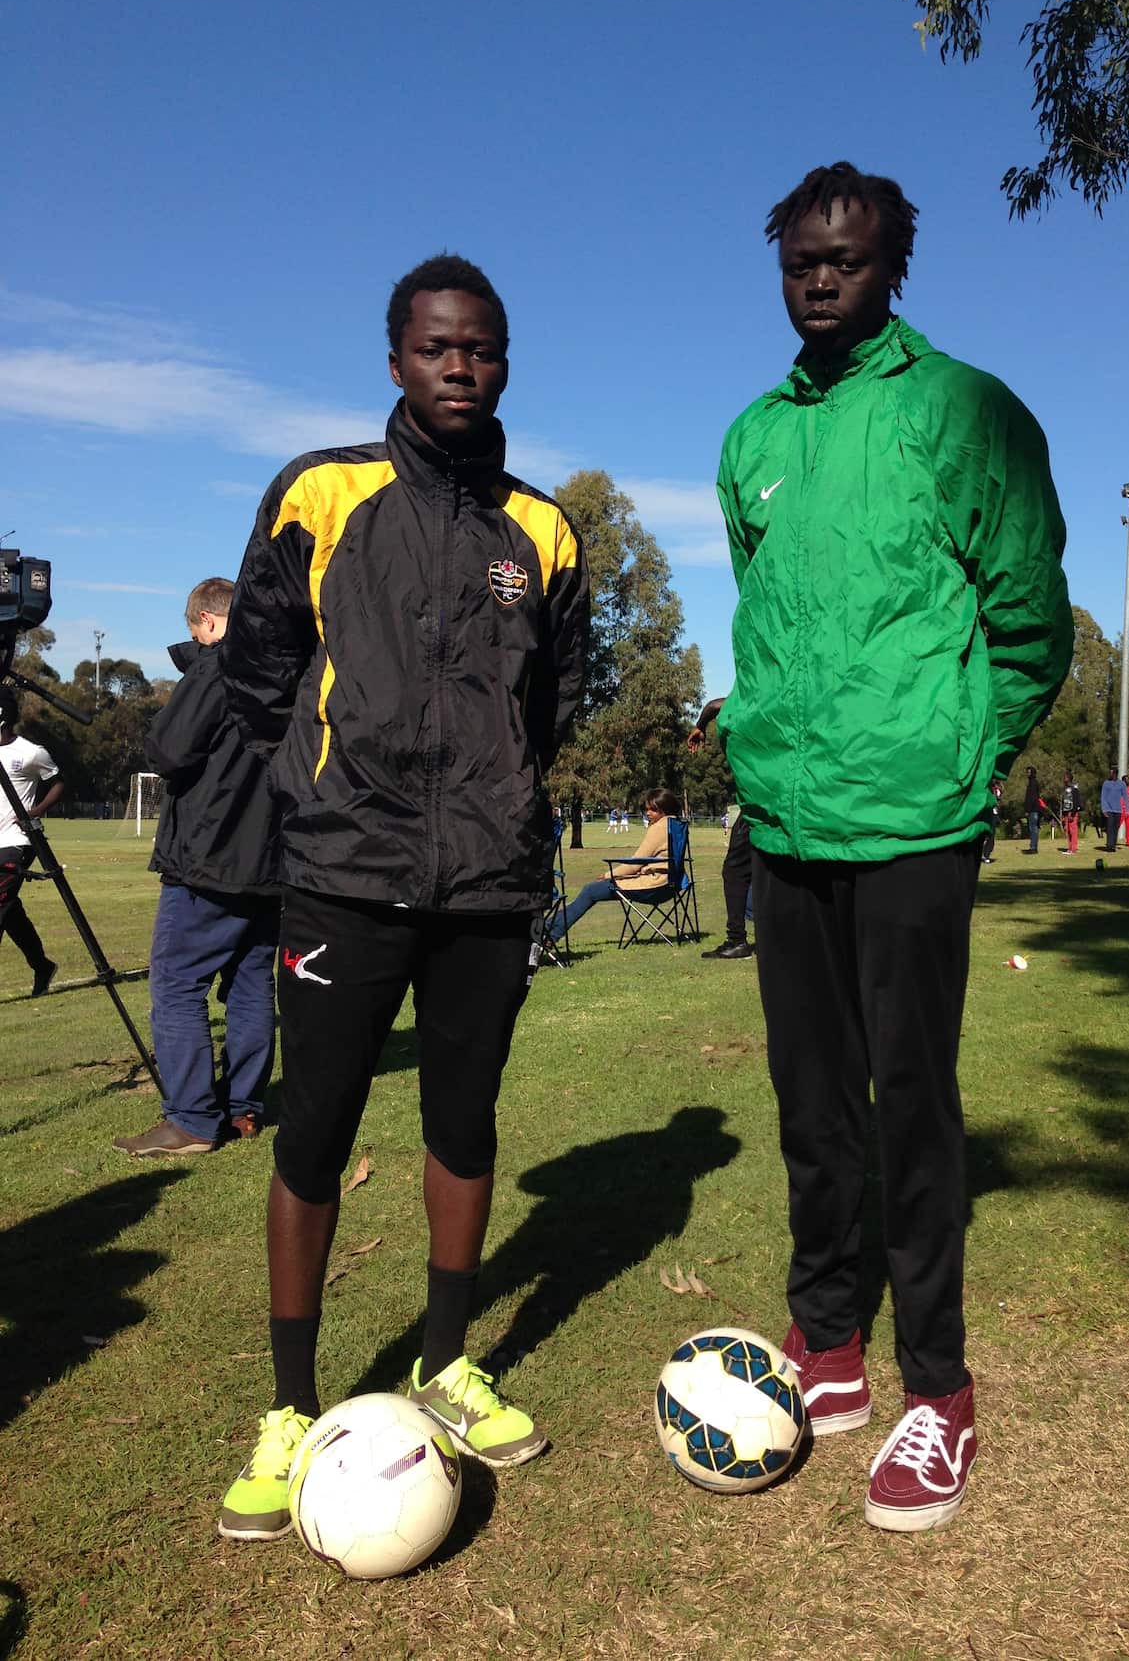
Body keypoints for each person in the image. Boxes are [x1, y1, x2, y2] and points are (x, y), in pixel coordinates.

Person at [715, 161, 1072, 1531]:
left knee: (910, 1099)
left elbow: (1032, 614)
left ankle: (939, 1387)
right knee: (812, 1101)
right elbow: (764, 615)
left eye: (848, 258)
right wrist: (758, 740)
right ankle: (832, 1343)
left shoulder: (963, 409)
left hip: (917, 820)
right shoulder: (752, 436)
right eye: (802, 255)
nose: (822, 276)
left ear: (893, 266)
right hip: (790, 824)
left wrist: (966, 754)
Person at [216, 253, 589, 1542]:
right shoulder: (320, 494)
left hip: (486, 882)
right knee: (312, 1135)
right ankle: (286, 1407)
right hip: (345, 877)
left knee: (464, 1125)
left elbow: (548, 703)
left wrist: (497, 795)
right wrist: (334, 781)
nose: (460, 368)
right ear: (394, 360)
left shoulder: (543, 531)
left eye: (480, 349)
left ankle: (448, 1364)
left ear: (502, 362)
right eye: (436, 348)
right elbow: (263, 671)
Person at [113, 578, 278, 1160]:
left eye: (195, 631)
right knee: (252, 982)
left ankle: (190, 1119)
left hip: (211, 855)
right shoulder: (287, 665)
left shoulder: (220, 666)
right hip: (269, 856)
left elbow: (169, 749)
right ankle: (243, 1108)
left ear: (208, 622)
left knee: (178, 982)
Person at [548, 789, 681, 940]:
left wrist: (608, 875)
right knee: (591, 891)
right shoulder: (676, 825)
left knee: (590, 890)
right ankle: (549, 926)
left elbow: (635, 864)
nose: (648, 813)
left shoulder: (658, 828)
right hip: (672, 885)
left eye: (653, 810)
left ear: (664, 809)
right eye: (647, 809)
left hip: (654, 886)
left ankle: (551, 933)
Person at [0, 687, 62, 997]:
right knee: (8, 910)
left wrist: (33, 812)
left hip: (16, 842)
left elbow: (58, 782)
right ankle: (42, 965)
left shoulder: (30, 752)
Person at [689, 696, 753, 959]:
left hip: (759, 801)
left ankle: (736, 939)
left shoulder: (755, 695)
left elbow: (716, 705)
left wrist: (700, 726)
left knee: (735, 870)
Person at [1101, 767, 1125, 852]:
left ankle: (1113, 845)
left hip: (1118, 810)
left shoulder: (1121, 784)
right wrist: (1104, 809)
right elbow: (1103, 797)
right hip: (1109, 810)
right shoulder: (1106, 783)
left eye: (1111, 773)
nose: (1109, 774)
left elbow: (1125, 797)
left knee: (1115, 828)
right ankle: (1109, 846)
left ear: (1115, 774)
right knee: (1110, 827)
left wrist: (1127, 810)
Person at [1060, 770, 1083, 855]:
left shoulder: (1074, 789)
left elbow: (1076, 801)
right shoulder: (1065, 789)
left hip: (1072, 813)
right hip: (1066, 813)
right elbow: (1064, 802)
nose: (1064, 779)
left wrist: (1072, 813)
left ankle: (1073, 848)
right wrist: (1063, 814)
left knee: (1073, 831)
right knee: (1068, 831)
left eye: (1065, 777)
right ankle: (1069, 848)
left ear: (1069, 778)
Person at [980, 781, 1001, 864]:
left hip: (993, 814)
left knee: (991, 836)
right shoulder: (983, 790)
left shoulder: (997, 791)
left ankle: (987, 854)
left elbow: (998, 803)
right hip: (984, 814)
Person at [1023, 766, 1043, 854]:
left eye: (1029, 772)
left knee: (1033, 828)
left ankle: (1033, 847)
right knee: (1033, 828)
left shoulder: (1033, 783)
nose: (1027, 774)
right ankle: (1033, 846)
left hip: (1033, 810)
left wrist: (1028, 810)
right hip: (1033, 809)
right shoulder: (1032, 783)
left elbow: (1031, 798)